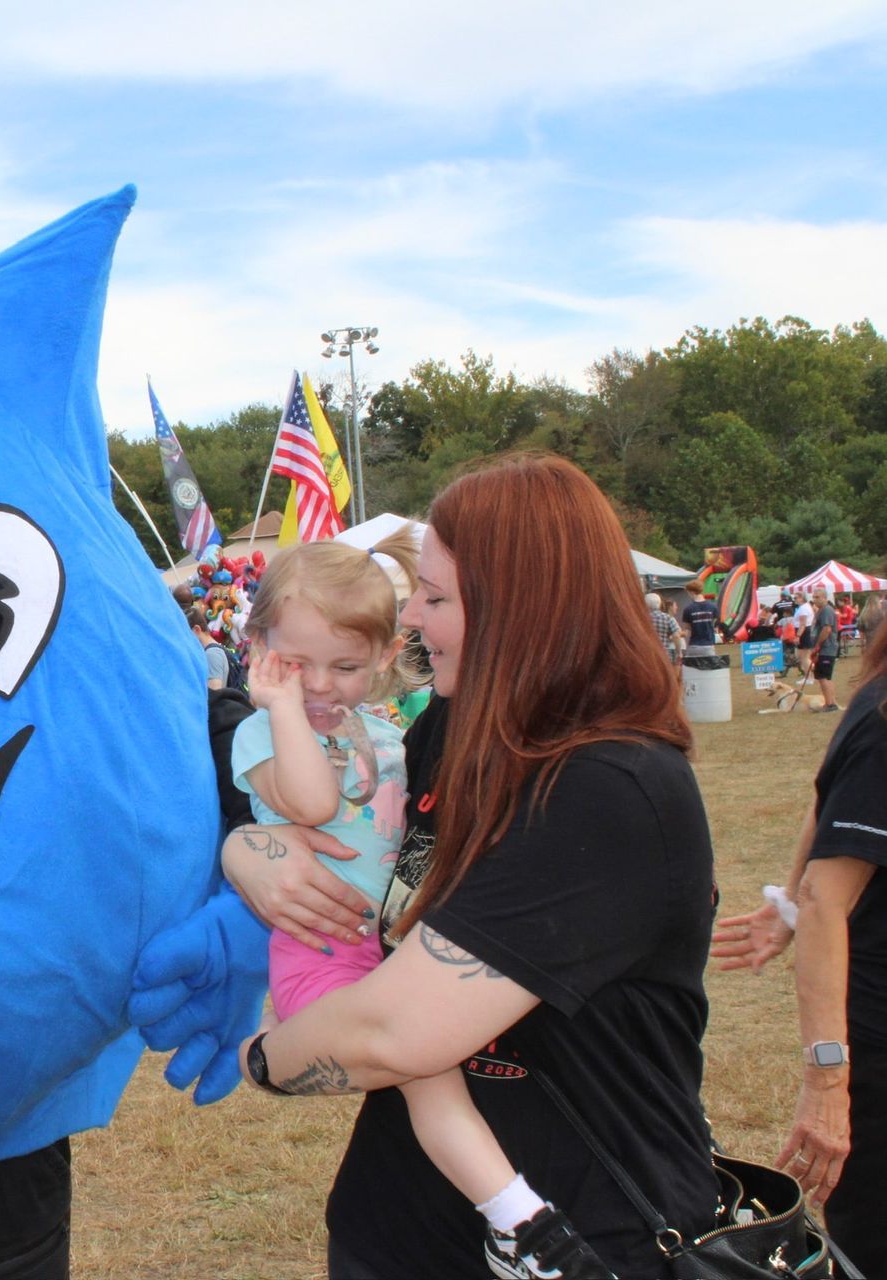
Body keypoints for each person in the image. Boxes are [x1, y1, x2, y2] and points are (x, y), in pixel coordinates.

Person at [212, 454, 714, 1278]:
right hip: (401, 1226)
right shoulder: (449, 729)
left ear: (527, 610)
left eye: (437, 598)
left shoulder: (612, 788)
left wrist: (262, 1058)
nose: (408, 617)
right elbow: (288, 788)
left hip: (586, 1235)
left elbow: (394, 1033)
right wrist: (248, 848)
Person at [238, 531, 588, 1270]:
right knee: (428, 1072)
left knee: (434, 1069)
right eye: (296, 665)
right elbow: (310, 798)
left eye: (347, 667)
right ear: (258, 648)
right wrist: (278, 708)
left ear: (383, 660)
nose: (322, 687)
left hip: (388, 948)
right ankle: (518, 1220)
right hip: (323, 950)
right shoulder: (261, 732)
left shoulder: (391, 733)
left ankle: (510, 1218)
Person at [710, 622, 887, 1276]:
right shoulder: (883, 719)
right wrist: (827, 1081)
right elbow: (828, 897)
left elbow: (826, 791)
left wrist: (788, 896)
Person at [811, 588, 843, 713]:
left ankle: (830, 704)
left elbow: (827, 629)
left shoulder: (827, 610)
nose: (815, 599)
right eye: (814, 597)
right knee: (823, 676)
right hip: (823, 649)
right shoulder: (820, 611)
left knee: (823, 676)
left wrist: (818, 645)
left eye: (817, 597)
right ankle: (831, 702)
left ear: (824, 597)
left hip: (826, 648)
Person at [188, 603, 228, 690]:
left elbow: (214, 693)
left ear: (196, 630)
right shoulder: (209, 652)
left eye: (186, 634)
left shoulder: (212, 654)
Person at [679, 586, 720, 656]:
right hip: (708, 646)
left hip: (694, 646)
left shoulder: (688, 609)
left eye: (688, 593)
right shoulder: (713, 607)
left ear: (692, 592)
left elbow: (687, 629)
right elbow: (715, 627)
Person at [647, 591, 681, 664]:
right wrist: (679, 652)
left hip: (648, 655)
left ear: (647, 605)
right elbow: (676, 636)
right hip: (665, 655)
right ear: (659, 604)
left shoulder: (642, 619)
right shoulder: (668, 618)